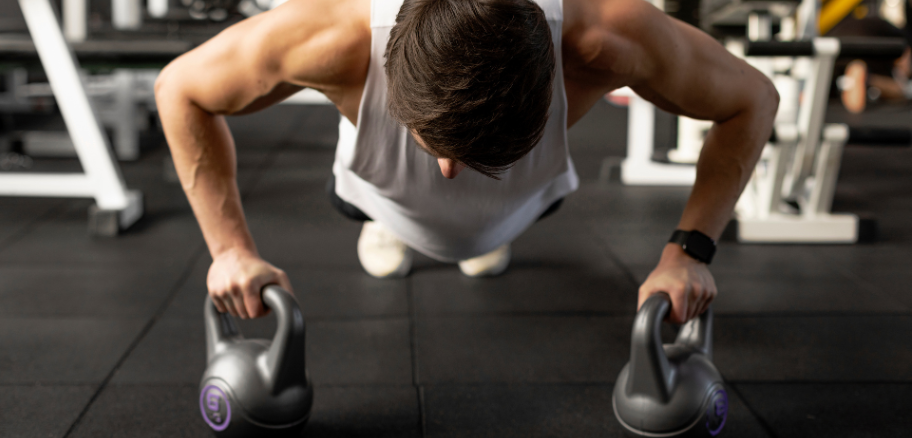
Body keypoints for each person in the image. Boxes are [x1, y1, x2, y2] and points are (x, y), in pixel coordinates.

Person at [155, 0, 778, 325]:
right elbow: (179, 88)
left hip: (528, 201)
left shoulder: (606, 40)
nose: (448, 171)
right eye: (437, 144)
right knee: (387, 190)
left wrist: (688, 253)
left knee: (488, 224)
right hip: (378, 190)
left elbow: (754, 99)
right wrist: (230, 250)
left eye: (480, 156)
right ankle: (390, 217)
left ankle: (489, 217)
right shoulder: (330, 37)